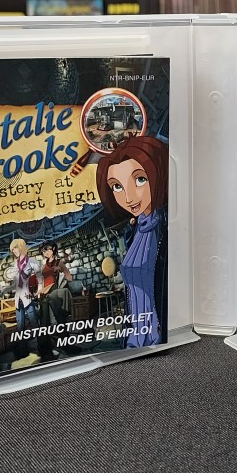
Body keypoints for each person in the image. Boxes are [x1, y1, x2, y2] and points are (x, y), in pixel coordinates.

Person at [96, 136, 168, 348]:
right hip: (135, 337)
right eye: (117, 186)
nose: (128, 198)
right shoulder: (132, 232)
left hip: (160, 336)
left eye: (139, 180)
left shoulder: (167, 227)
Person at [4, 238, 40, 336]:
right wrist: (4, 290)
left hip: (27, 297)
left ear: (21, 247)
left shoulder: (32, 261)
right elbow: (16, 284)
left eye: (15, 248)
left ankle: (43, 344)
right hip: (18, 299)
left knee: (34, 323)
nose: (14, 251)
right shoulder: (15, 264)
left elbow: (40, 279)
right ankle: (22, 345)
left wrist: (37, 293)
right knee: (20, 326)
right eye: (12, 249)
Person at [38, 242, 73, 325]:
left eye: (47, 250)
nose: (46, 253)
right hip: (45, 292)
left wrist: (61, 271)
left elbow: (69, 277)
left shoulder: (59, 262)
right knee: (44, 315)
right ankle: (46, 332)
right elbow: (42, 281)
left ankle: (63, 330)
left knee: (58, 315)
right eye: (43, 251)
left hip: (55, 290)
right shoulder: (43, 266)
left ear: (53, 249)